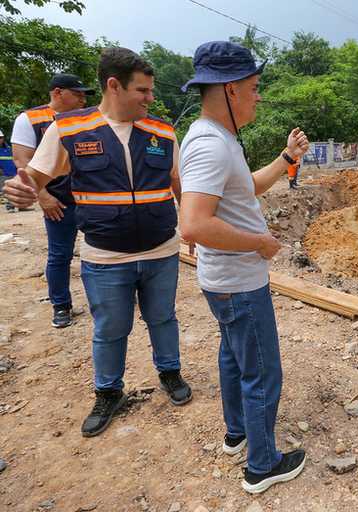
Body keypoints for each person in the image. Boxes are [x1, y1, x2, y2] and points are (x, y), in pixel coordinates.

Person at [3, 48, 192, 438]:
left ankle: (170, 373)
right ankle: (108, 392)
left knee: (163, 318)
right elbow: (35, 177)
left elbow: (178, 184)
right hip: (105, 258)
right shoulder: (69, 129)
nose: (150, 98)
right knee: (110, 328)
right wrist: (24, 191)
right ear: (113, 85)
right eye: (142, 90)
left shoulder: (162, 131)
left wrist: (192, 226)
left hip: (161, 252)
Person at [178, 41, 310, 495]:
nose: (259, 96)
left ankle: (237, 433)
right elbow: (194, 223)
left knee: (235, 357)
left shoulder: (218, 138)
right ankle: (262, 464)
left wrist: (287, 159)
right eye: (254, 88)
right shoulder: (210, 145)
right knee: (262, 371)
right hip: (238, 281)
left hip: (225, 281)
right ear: (230, 90)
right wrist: (259, 242)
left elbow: (245, 189)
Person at [10, 73, 94, 326]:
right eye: (77, 93)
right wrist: (43, 197)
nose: (82, 99)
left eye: (84, 95)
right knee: (60, 255)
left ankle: (108, 299)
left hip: (90, 198)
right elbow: (22, 161)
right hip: (58, 201)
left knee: (99, 251)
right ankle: (61, 306)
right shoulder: (30, 119)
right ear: (57, 92)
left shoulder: (86, 119)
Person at [0, 130, 17, 212]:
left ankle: (21, 206)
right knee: (7, 191)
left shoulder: (9, 149)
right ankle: (10, 207)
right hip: (3, 175)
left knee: (16, 190)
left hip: (13, 173)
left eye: (1, 138)